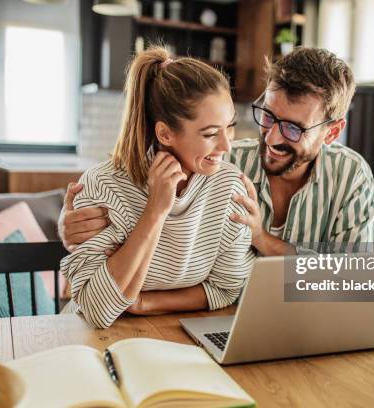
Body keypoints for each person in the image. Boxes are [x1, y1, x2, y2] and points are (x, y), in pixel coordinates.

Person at [60, 47, 374, 262]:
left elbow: (353, 281)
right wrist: (71, 226)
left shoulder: (352, 178)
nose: (272, 136)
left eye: (294, 129)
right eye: (268, 116)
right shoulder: (223, 162)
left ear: (333, 132)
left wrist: (263, 240)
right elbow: (138, 209)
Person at [60, 47, 254, 329]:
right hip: (91, 340)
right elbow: (96, 308)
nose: (226, 145)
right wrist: (155, 210)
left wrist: (142, 303)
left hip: (175, 333)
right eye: (211, 133)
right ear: (165, 133)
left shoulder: (229, 187)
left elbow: (226, 289)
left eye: (230, 127)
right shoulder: (104, 186)